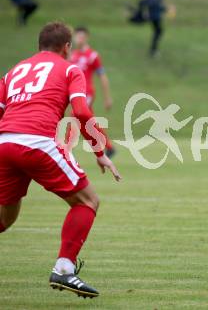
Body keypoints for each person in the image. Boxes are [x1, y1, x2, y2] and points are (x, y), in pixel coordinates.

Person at [0, 22, 121, 298]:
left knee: (5, 219)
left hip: (5, 143)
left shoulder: (14, 70)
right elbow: (81, 111)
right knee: (88, 201)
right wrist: (100, 152)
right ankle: (65, 269)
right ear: (66, 47)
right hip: (37, 142)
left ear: (39, 45)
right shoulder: (69, 68)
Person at [70, 26, 116, 158]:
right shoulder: (72, 55)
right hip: (75, 94)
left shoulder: (93, 55)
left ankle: (64, 149)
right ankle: (108, 147)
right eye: (77, 36)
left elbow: (102, 76)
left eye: (81, 36)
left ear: (86, 38)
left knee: (75, 115)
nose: (79, 39)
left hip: (87, 93)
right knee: (88, 123)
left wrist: (107, 98)